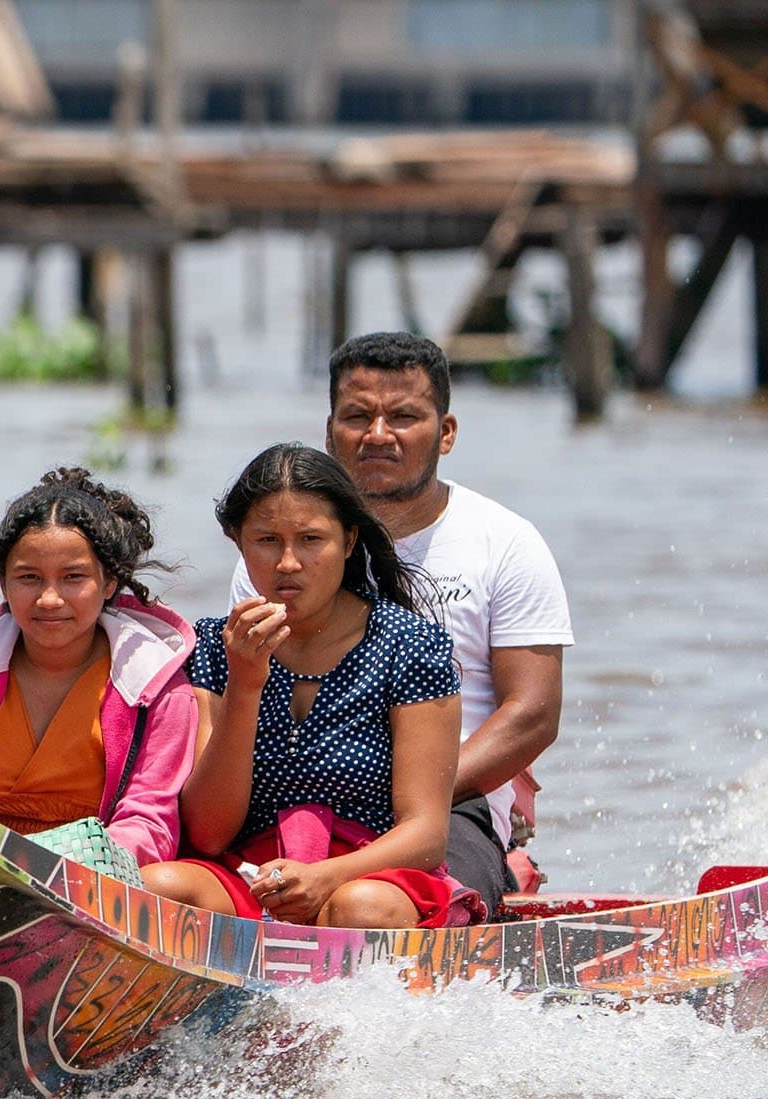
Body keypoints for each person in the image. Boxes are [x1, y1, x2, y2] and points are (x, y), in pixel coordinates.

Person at [228, 332, 570, 911]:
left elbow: (532, 715)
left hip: (458, 801)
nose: (378, 435)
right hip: (300, 788)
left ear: (447, 432)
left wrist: (411, 790)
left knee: (375, 903)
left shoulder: (505, 543)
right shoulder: (275, 558)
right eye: (358, 416)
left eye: (404, 417)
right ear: (329, 431)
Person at [143, 443, 482, 929]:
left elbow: (426, 834)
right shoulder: (217, 649)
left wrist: (326, 877)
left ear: (348, 540)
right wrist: (246, 683)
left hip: (372, 873)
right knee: (159, 890)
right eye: (266, 541)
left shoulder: (410, 645)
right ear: (239, 542)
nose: (287, 563)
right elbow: (210, 833)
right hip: (251, 872)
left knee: (356, 908)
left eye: (309, 540)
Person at [0, 467, 199, 871]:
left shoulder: (157, 683)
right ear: (3, 583)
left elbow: (150, 822)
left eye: (73, 577)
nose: (49, 599)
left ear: (109, 582)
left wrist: (59, 867)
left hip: (97, 883)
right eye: (29, 578)